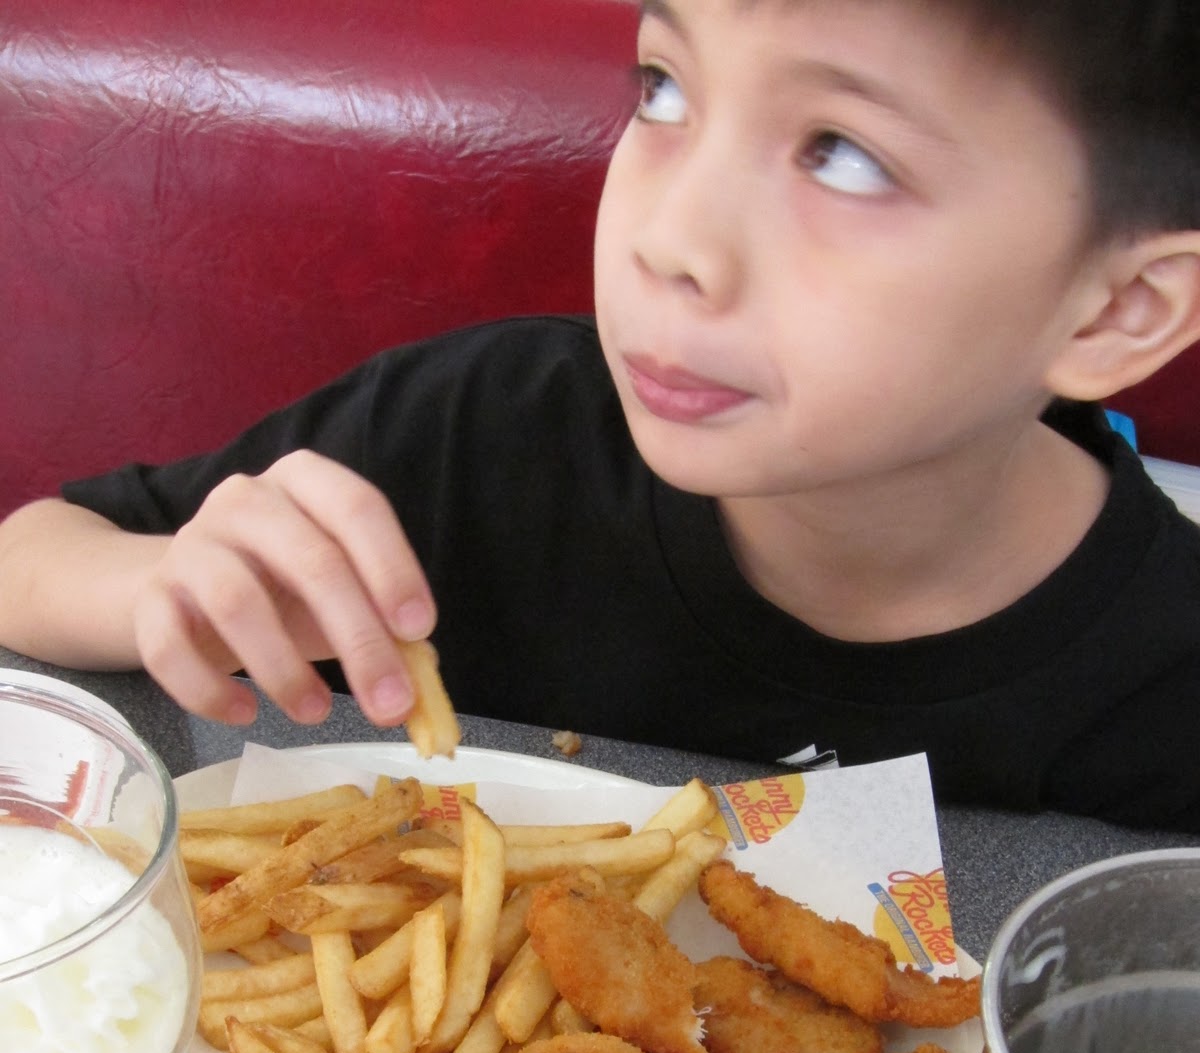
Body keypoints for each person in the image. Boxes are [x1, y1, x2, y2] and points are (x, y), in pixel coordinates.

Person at [1, 0, 1199, 827]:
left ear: (1116, 311)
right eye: (662, 87)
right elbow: (29, 558)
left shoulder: (1164, 674)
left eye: (840, 155)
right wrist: (166, 585)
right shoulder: (479, 433)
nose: (666, 237)